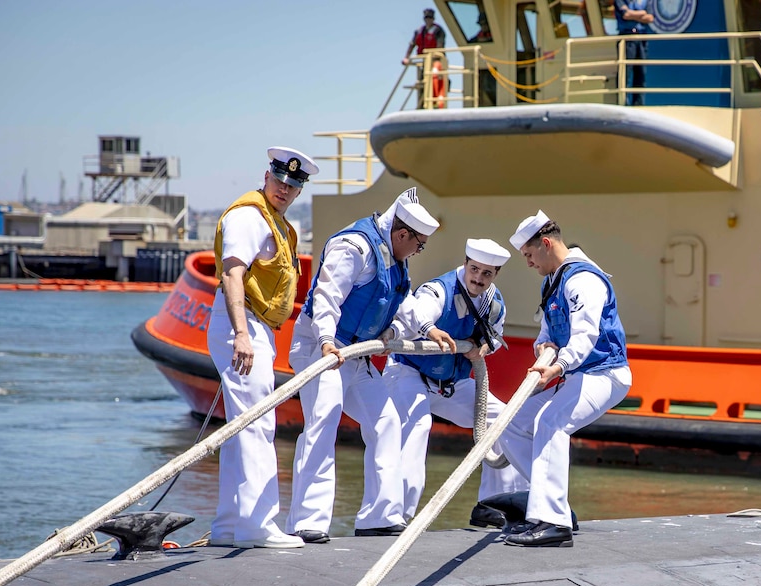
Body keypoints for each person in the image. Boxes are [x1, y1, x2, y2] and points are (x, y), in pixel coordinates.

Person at [286, 188, 443, 543]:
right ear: (402, 234)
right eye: (419, 245)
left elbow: (398, 302)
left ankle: (380, 516)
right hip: (324, 348)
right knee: (323, 422)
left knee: (386, 421)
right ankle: (307, 521)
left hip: (357, 355)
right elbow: (328, 295)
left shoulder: (395, 258)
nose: (418, 252)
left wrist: (425, 329)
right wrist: (326, 341)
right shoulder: (355, 248)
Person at [496, 211, 632, 548]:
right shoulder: (551, 282)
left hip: (605, 373)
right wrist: (542, 347)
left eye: (528, 255)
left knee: (551, 423)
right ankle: (553, 506)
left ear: (545, 244)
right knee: (511, 423)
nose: (528, 263)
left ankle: (554, 524)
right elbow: (547, 331)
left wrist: (557, 367)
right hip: (577, 376)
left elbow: (585, 335)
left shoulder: (582, 280)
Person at [206, 146, 319, 549]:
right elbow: (233, 273)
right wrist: (241, 334)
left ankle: (229, 526)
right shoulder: (248, 217)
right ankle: (259, 525)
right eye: (280, 180)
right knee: (257, 424)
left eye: (294, 184)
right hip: (243, 324)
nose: (285, 189)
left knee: (242, 428)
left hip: (254, 326)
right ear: (266, 175)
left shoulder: (278, 223)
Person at [382, 237, 525, 526]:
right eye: (474, 269)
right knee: (417, 426)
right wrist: (430, 330)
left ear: (495, 275)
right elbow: (417, 316)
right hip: (409, 371)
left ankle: (496, 504)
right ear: (465, 264)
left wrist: (482, 347)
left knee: (507, 420)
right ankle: (397, 515)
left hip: (451, 381)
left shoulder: (494, 304)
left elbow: (494, 338)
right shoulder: (439, 291)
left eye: (486, 273)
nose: (478, 278)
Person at [615, 0, 654, 106]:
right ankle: (623, 103)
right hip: (626, 37)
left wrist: (633, 14)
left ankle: (638, 104)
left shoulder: (646, 1)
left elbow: (650, 18)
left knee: (641, 73)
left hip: (641, 37)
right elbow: (626, 15)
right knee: (625, 72)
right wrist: (641, 14)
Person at [404, 7, 447, 81]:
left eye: (430, 18)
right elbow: (412, 44)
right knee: (423, 79)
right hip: (425, 60)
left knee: (438, 79)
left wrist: (435, 57)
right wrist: (406, 57)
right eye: (426, 18)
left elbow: (440, 46)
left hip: (437, 60)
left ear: (433, 19)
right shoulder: (419, 31)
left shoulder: (438, 31)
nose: (428, 20)